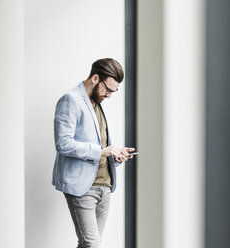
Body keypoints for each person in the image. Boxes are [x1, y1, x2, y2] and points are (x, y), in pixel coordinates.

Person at [52, 58, 134, 248]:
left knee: (89, 244)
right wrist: (102, 151)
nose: (110, 95)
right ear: (96, 78)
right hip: (82, 187)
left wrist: (116, 155)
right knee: (91, 244)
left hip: (105, 185)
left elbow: (101, 145)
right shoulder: (70, 100)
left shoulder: (97, 103)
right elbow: (63, 143)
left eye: (114, 91)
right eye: (108, 89)